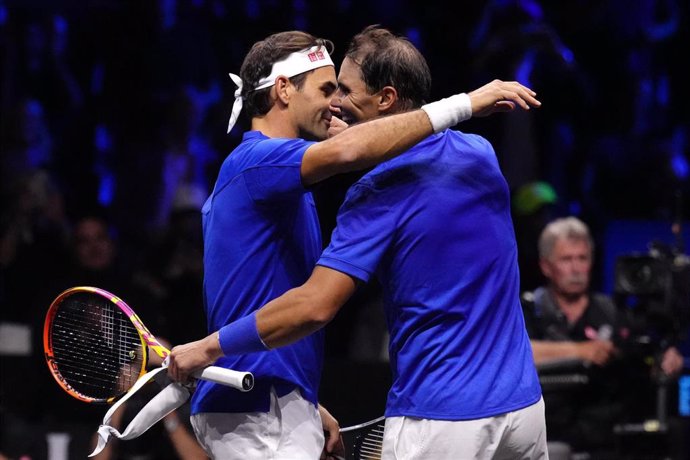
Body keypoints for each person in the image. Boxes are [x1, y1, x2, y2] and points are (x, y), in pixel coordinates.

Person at [169, 25, 545, 459]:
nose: (336, 105)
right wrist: (463, 104)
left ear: (385, 98)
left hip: (425, 415)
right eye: (329, 89)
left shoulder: (363, 189)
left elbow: (309, 303)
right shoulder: (479, 153)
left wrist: (303, 403)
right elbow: (346, 154)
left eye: (342, 90)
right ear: (284, 90)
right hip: (522, 408)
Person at [521, 216, 685, 457]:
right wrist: (580, 351)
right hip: (545, 439)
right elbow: (514, 352)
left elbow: (643, 355)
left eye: (582, 258)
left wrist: (666, 360)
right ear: (546, 266)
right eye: (566, 259)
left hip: (606, 443)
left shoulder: (611, 312)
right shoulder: (526, 310)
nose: (576, 268)